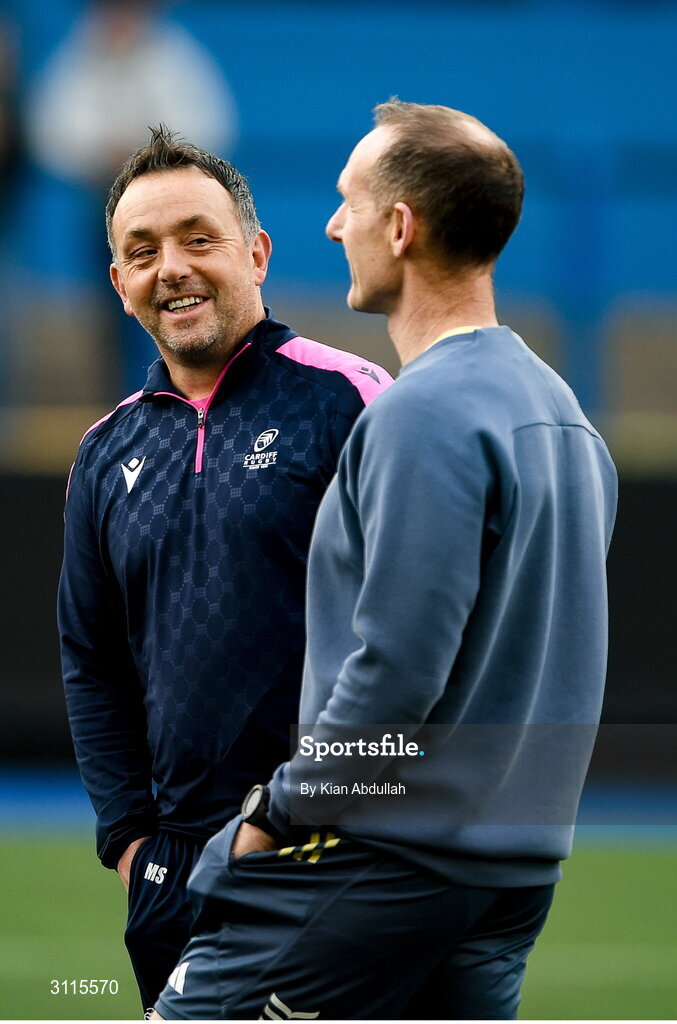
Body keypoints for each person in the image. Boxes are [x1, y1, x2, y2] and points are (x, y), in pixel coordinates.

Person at [152, 101, 618, 1021]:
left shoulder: (423, 413)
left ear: (401, 227)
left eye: (348, 200)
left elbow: (396, 670)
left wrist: (276, 813)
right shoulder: (564, 414)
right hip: (513, 875)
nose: (332, 225)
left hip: (384, 865)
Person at [57, 125, 391, 1013]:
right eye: (143, 250)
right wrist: (132, 845)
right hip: (171, 871)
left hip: (331, 854)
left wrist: (349, 810)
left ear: (256, 251)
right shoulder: (103, 452)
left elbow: (414, 638)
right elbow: (90, 658)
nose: (172, 267)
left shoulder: (355, 402)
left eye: (198, 238)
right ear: (121, 283)